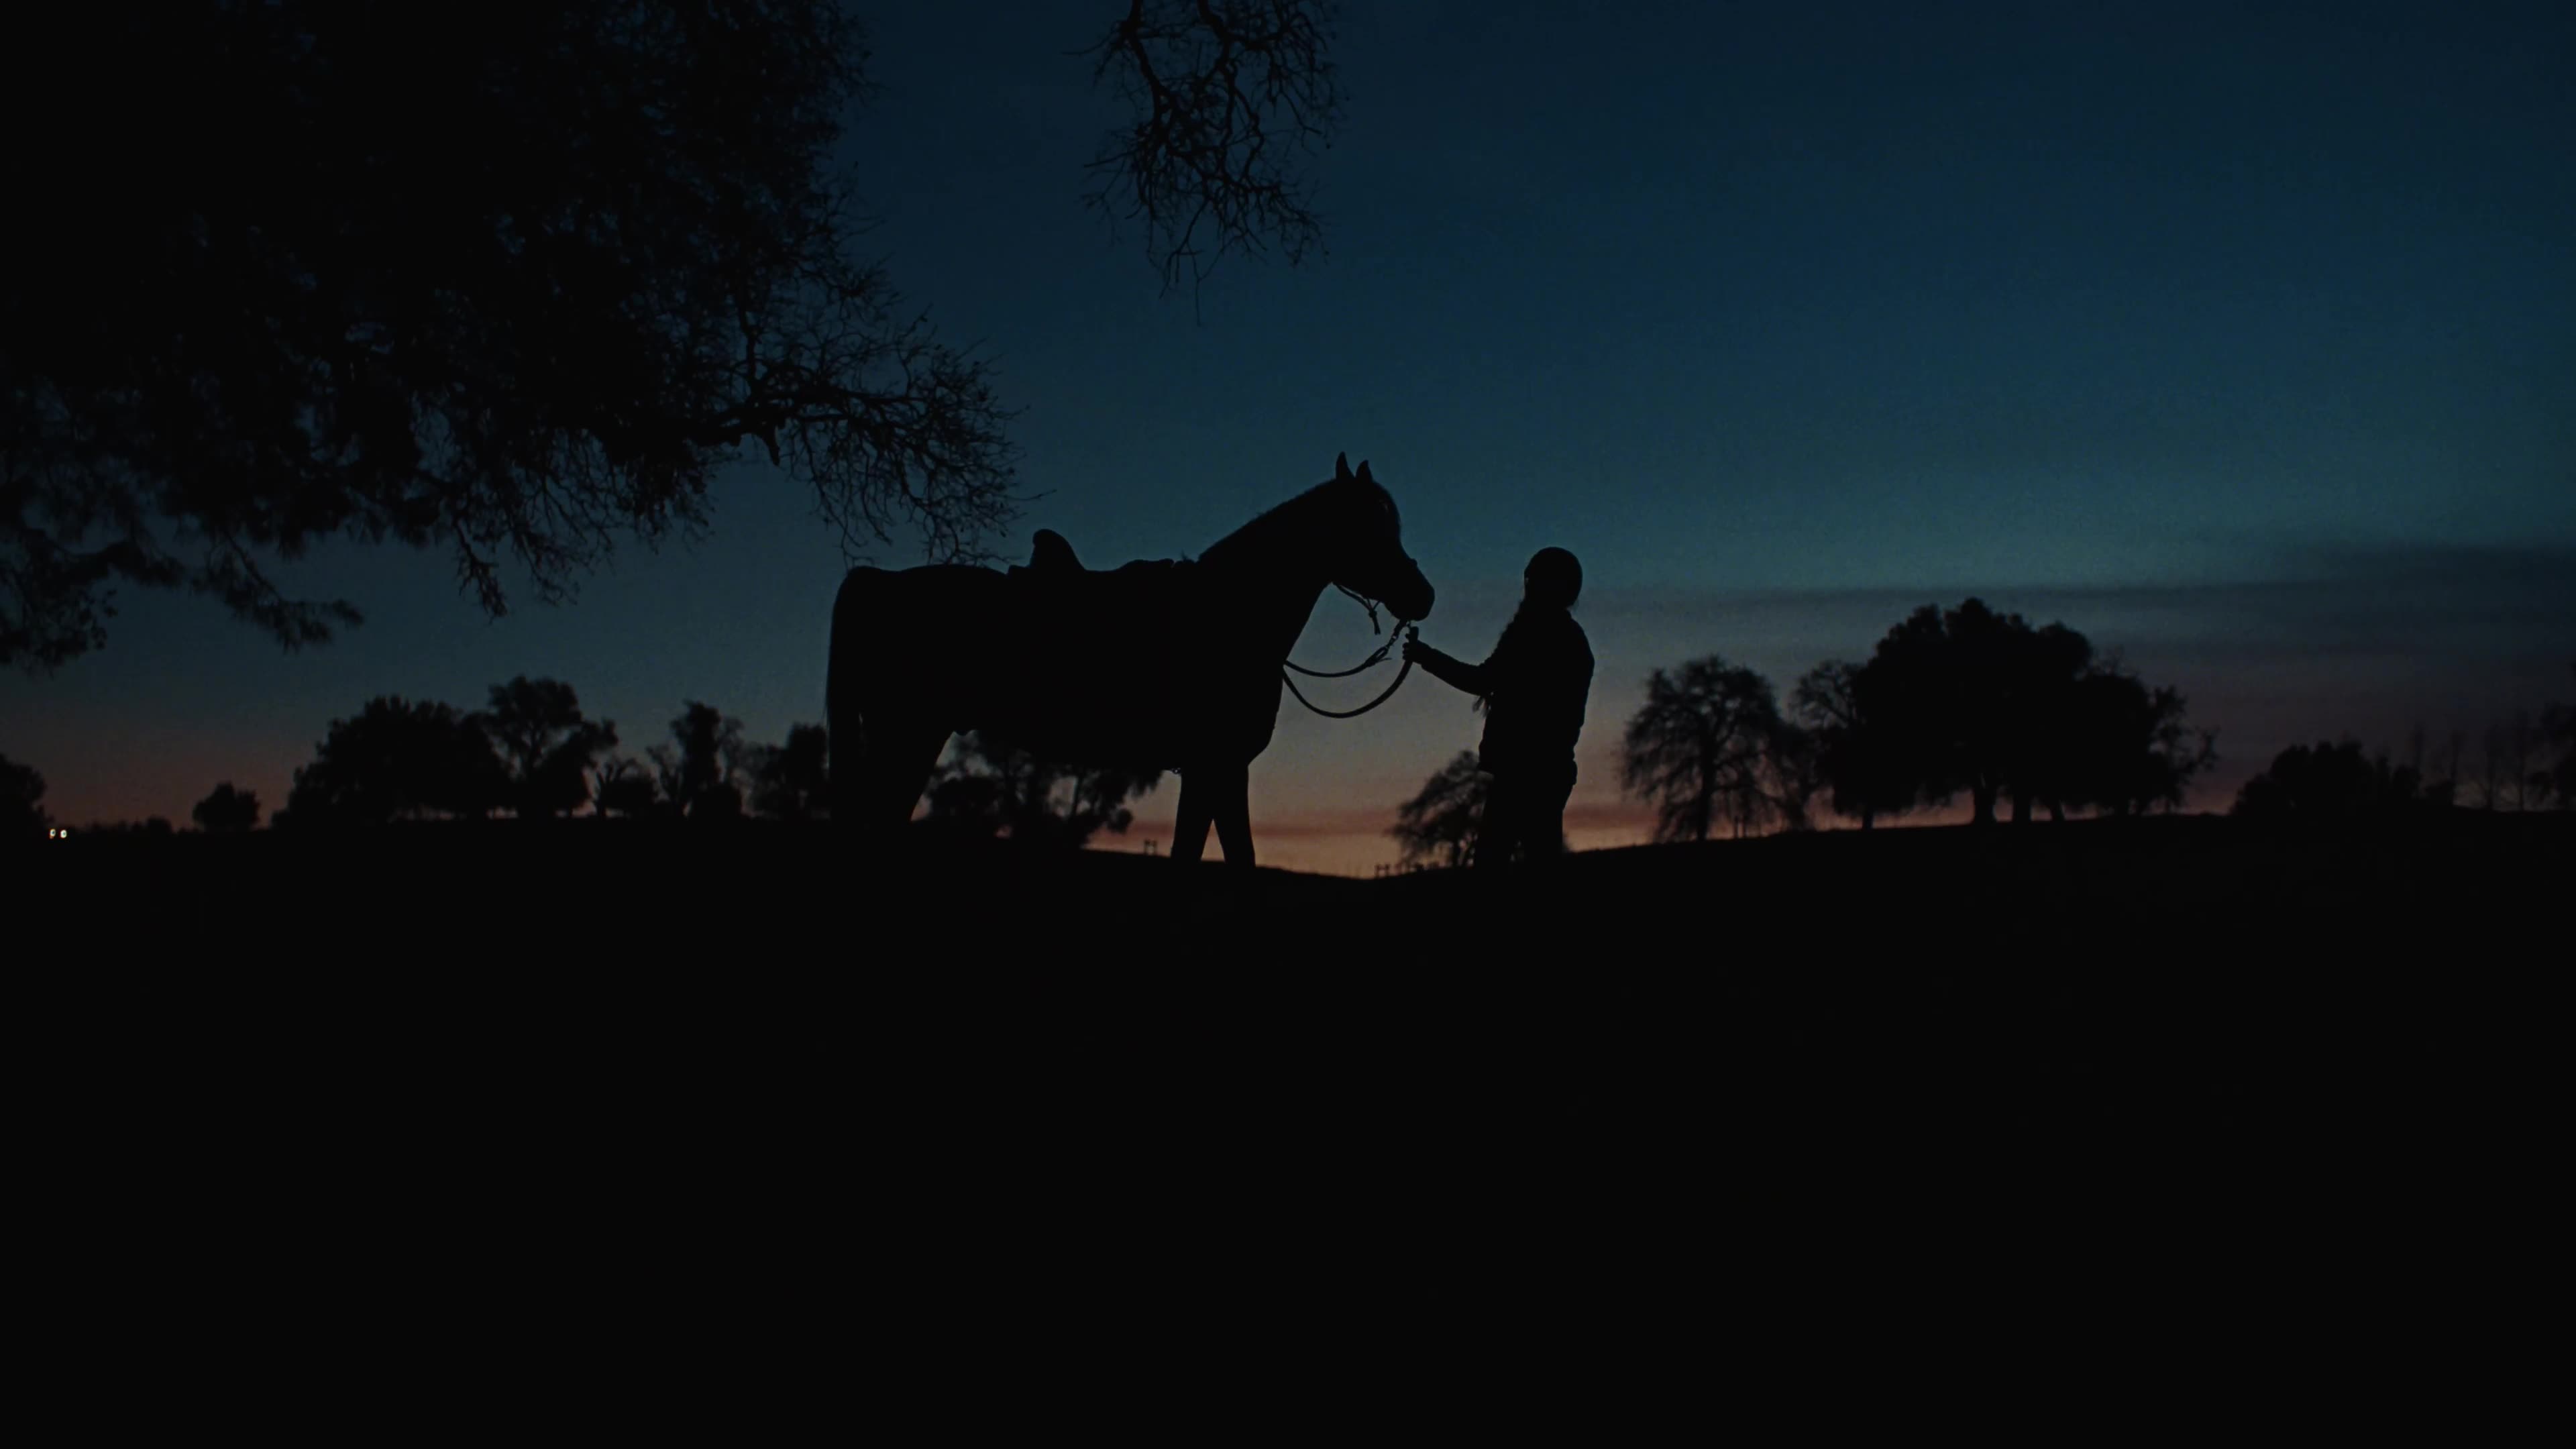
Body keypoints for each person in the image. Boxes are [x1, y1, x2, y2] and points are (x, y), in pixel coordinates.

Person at [1402, 547, 1593, 868]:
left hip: (1528, 773)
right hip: (1540, 772)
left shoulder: (1541, 636)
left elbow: (1482, 680)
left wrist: (1426, 657)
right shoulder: (1553, 635)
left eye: (1538, 580)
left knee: (1494, 864)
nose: (1531, 587)